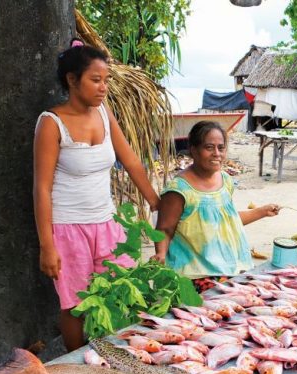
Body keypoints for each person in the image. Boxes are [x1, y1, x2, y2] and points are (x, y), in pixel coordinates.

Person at [33, 38, 159, 351]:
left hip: (107, 224)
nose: (103, 87)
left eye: (106, 80)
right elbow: (41, 188)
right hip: (67, 230)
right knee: (75, 305)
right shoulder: (51, 123)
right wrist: (47, 246)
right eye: (95, 80)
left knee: (120, 291)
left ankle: (112, 355)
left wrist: (157, 202)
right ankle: (76, 361)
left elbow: (130, 160)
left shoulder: (103, 113)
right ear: (72, 80)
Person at [153, 121, 279, 292]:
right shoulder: (179, 191)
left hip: (233, 267)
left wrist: (262, 212)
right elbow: (164, 230)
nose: (217, 154)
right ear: (194, 150)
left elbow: (227, 222)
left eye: (221, 147)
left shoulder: (225, 180)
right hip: (198, 274)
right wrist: (160, 254)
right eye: (209, 147)